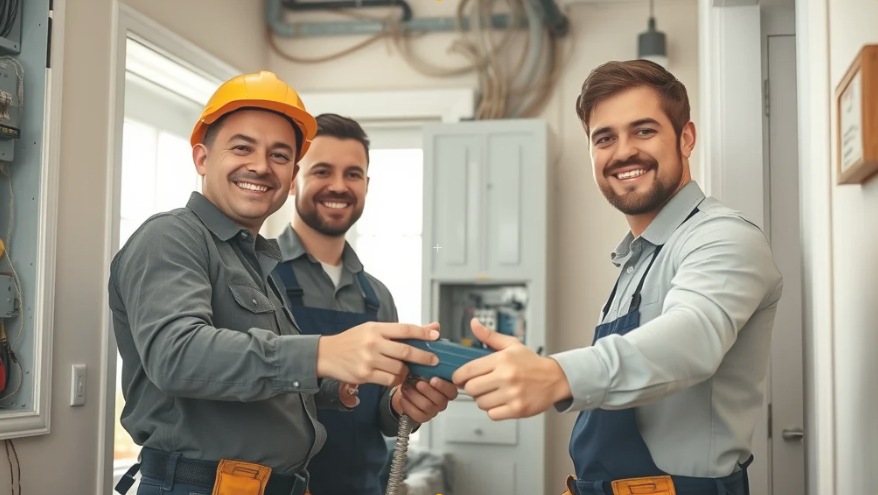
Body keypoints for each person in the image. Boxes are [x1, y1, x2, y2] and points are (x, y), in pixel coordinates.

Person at [452, 60, 784, 495]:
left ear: (686, 138)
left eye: (644, 130)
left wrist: (556, 375)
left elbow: (693, 338)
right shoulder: (637, 258)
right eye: (604, 138)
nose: (623, 151)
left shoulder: (723, 237)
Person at [109, 71, 442, 495]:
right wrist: (322, 353)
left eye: (279, 155)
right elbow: (177, 355)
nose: (261, 166)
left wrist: (344, 390)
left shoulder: (254, 261)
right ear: (202, 158)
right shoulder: (172, 235)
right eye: (242, 147)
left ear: (289, 177)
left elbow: (263, 387)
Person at [272, 113, 459, 495]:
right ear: (294, 179)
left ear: (367, 184)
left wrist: (405, 403)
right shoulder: (261, 276)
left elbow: (382, 415)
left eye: (353, 174)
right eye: (322, 171)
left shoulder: (377, 297)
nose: (339, 186)